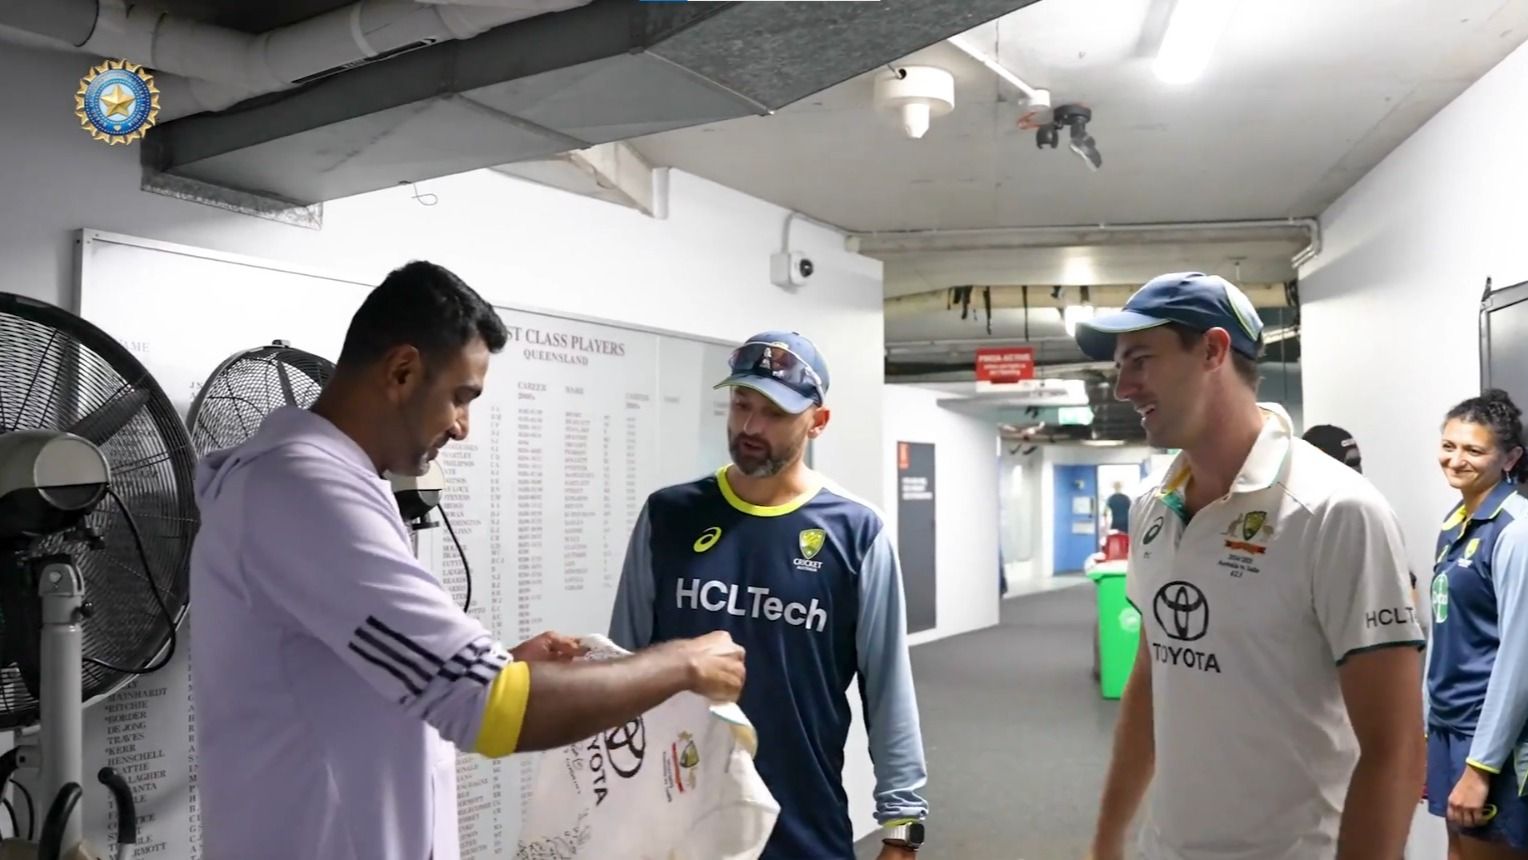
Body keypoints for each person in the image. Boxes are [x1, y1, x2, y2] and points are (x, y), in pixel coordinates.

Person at [188, 260, 747, 860]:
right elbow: (488, 709)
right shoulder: (302, 490)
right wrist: (682, 663)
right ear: (402, 371)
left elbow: (366, 681)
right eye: (460, 397)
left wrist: (495, 664)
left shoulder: (332, 481)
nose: (462, 428)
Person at [1073, 272, 1427, 860]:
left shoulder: (1336, 512)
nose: (1122, 388)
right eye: (1119, 367)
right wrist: (1107, 840)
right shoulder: (1152, 505)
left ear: (1212, 350)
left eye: (1139, 360)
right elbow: (1153, 676)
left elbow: (1395, 750)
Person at [608, 331, 930, 859]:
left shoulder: (856, 533)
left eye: (776, 412)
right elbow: (621, 668)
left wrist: (901, 827)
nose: (751, 427)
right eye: (741, 404)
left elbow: (889, 688)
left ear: (817, 422)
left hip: (803, 825)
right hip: (677, 824)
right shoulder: (668, 515)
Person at [1425, 388, 1528, 858]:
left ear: (1510, 458)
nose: (1456, 459)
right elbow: (1447, 634)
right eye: (1449, 445)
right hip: (1450, 728)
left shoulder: (1516, 530)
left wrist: (1481, 766)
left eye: (1473, 450)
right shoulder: (1456, 521)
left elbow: (1519, 657)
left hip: (1492, 742)